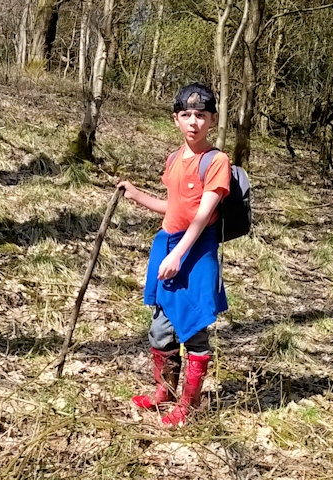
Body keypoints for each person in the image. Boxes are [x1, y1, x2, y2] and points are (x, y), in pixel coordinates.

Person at [118, 82, 230, 426]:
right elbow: (175, 209)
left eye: (201, 115)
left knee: (193, 328)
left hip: (196, 254)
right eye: (186, 115)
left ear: (212, 120)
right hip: (168, 246)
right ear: (175, 120)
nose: (193, 122)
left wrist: (179, 254)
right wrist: (137, 196)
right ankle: (163, 391)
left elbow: (202, 215)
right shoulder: (172, 160)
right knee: (160, 328)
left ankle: (190, 404)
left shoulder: (216, 161)